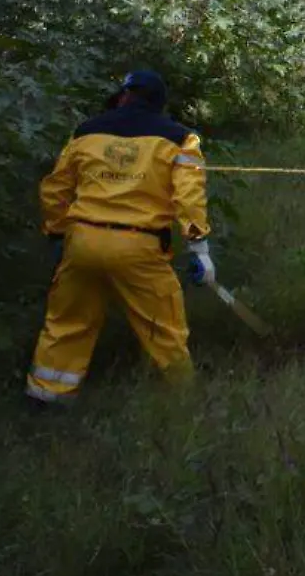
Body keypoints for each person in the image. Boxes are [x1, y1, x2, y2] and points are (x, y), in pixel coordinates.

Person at [26, 69, 213, 406]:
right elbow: (189, 199)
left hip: (82, 243)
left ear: (124, 96)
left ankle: (45, 400)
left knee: (67, 323)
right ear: (159, 104)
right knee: (164, 330)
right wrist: (199, 249)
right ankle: (184, 403)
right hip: (138, 247)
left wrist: (56, 233)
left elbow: (54, 189)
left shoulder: (86, 132)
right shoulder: (180, 139)